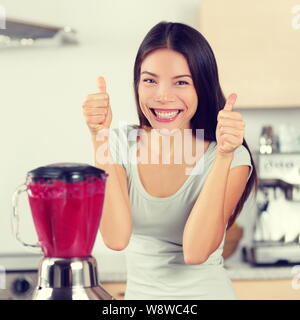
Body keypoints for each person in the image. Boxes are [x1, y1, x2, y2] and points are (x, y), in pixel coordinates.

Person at [82, 21, 258, 300]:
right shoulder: (117, 144)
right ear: (137, 84)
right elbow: (115, 238)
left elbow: (196, 251)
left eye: (181, 82)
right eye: (150, 80)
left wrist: (224, 156)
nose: (163, 96)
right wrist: (99, 136)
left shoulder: (231, 156)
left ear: (202, 86)